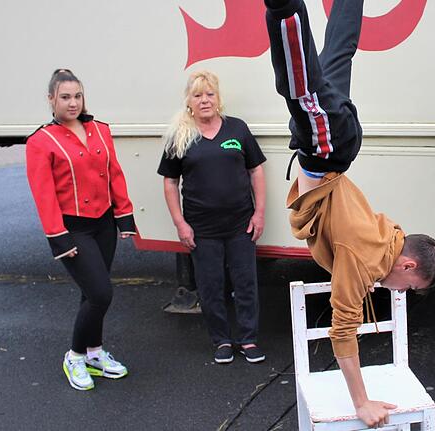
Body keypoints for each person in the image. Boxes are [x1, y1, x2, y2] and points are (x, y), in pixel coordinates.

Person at [264, 0, 435, 427]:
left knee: (338, 52)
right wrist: (362, 402)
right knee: (300, 87)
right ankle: (282, 7)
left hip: (335, 152)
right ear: (408, 263)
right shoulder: (364, 259)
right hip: (327, 149)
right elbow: (342, 331)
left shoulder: (389, 235)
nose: (397, 292)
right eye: (405, 286)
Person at [26, 69, 136, 391]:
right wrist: (58, 238)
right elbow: (44, 195)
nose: (72, 103)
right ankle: (74, 356)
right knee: (102, 293)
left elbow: (114, 173)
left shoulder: (100, 130)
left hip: (103, 224)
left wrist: (124, 217)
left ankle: (95, 353)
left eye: (77, 96)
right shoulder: (40, 141)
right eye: (64, 97)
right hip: (72, 229)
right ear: (51, 100)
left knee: (92, 294)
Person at [158, 71, 267, 365]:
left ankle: (248, 339)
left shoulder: (237, 129)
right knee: (210, 286)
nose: (204, 100)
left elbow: (255, 170)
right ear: (189, 101)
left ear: (218, 99)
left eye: (209, 94)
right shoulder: (180, 135)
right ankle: (221, 341)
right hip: (201, 228)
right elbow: (170, 182)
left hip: (240, 223)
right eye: (197, 95)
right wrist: (180, 223)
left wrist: (259, 213)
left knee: (245, 283)